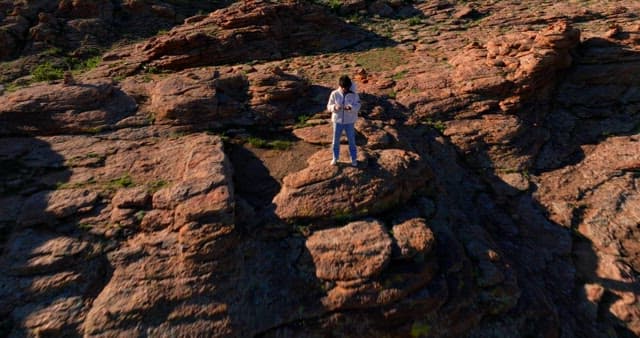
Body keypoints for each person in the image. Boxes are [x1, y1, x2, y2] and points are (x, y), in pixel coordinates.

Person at [326, 75, 361, 167]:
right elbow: (329, 107)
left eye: (346, 87)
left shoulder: (354, 95)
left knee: (352, 141)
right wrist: (334, 107)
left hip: (350, 121)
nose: (344, 89)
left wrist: (351, 108)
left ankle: (353, 159)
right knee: (335, 141)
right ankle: (335, 158)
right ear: (339, 85)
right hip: (337, 121)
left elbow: (358, 106)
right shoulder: (334, 94)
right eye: (343, 88)